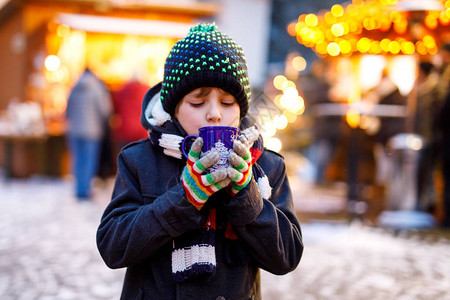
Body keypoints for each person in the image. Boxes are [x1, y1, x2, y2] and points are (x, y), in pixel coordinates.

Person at [96, 23, 303, 299]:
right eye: (197, 103)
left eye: (228, 102)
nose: (215, 114)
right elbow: (113, 247)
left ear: (241, 110)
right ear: (174, 109)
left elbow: (286, 257)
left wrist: (246, 196)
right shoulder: (140, 160)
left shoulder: (266, 166)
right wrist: (184, 198)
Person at [66, 68, 113, 199]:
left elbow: (67, 110)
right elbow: (105, 110)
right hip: (92, 131)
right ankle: (86, 190)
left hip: (75, 130)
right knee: (89, 161)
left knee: (77, 160)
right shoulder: (97, 88)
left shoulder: (74, 88)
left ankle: (79, 189)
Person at [414, 62, 440, 212]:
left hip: (429, 137)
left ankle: (431, 201)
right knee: (425, 170)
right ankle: (426, 199)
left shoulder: (433, 89)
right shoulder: (423, 88)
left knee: (429, 170)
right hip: (423, 136)